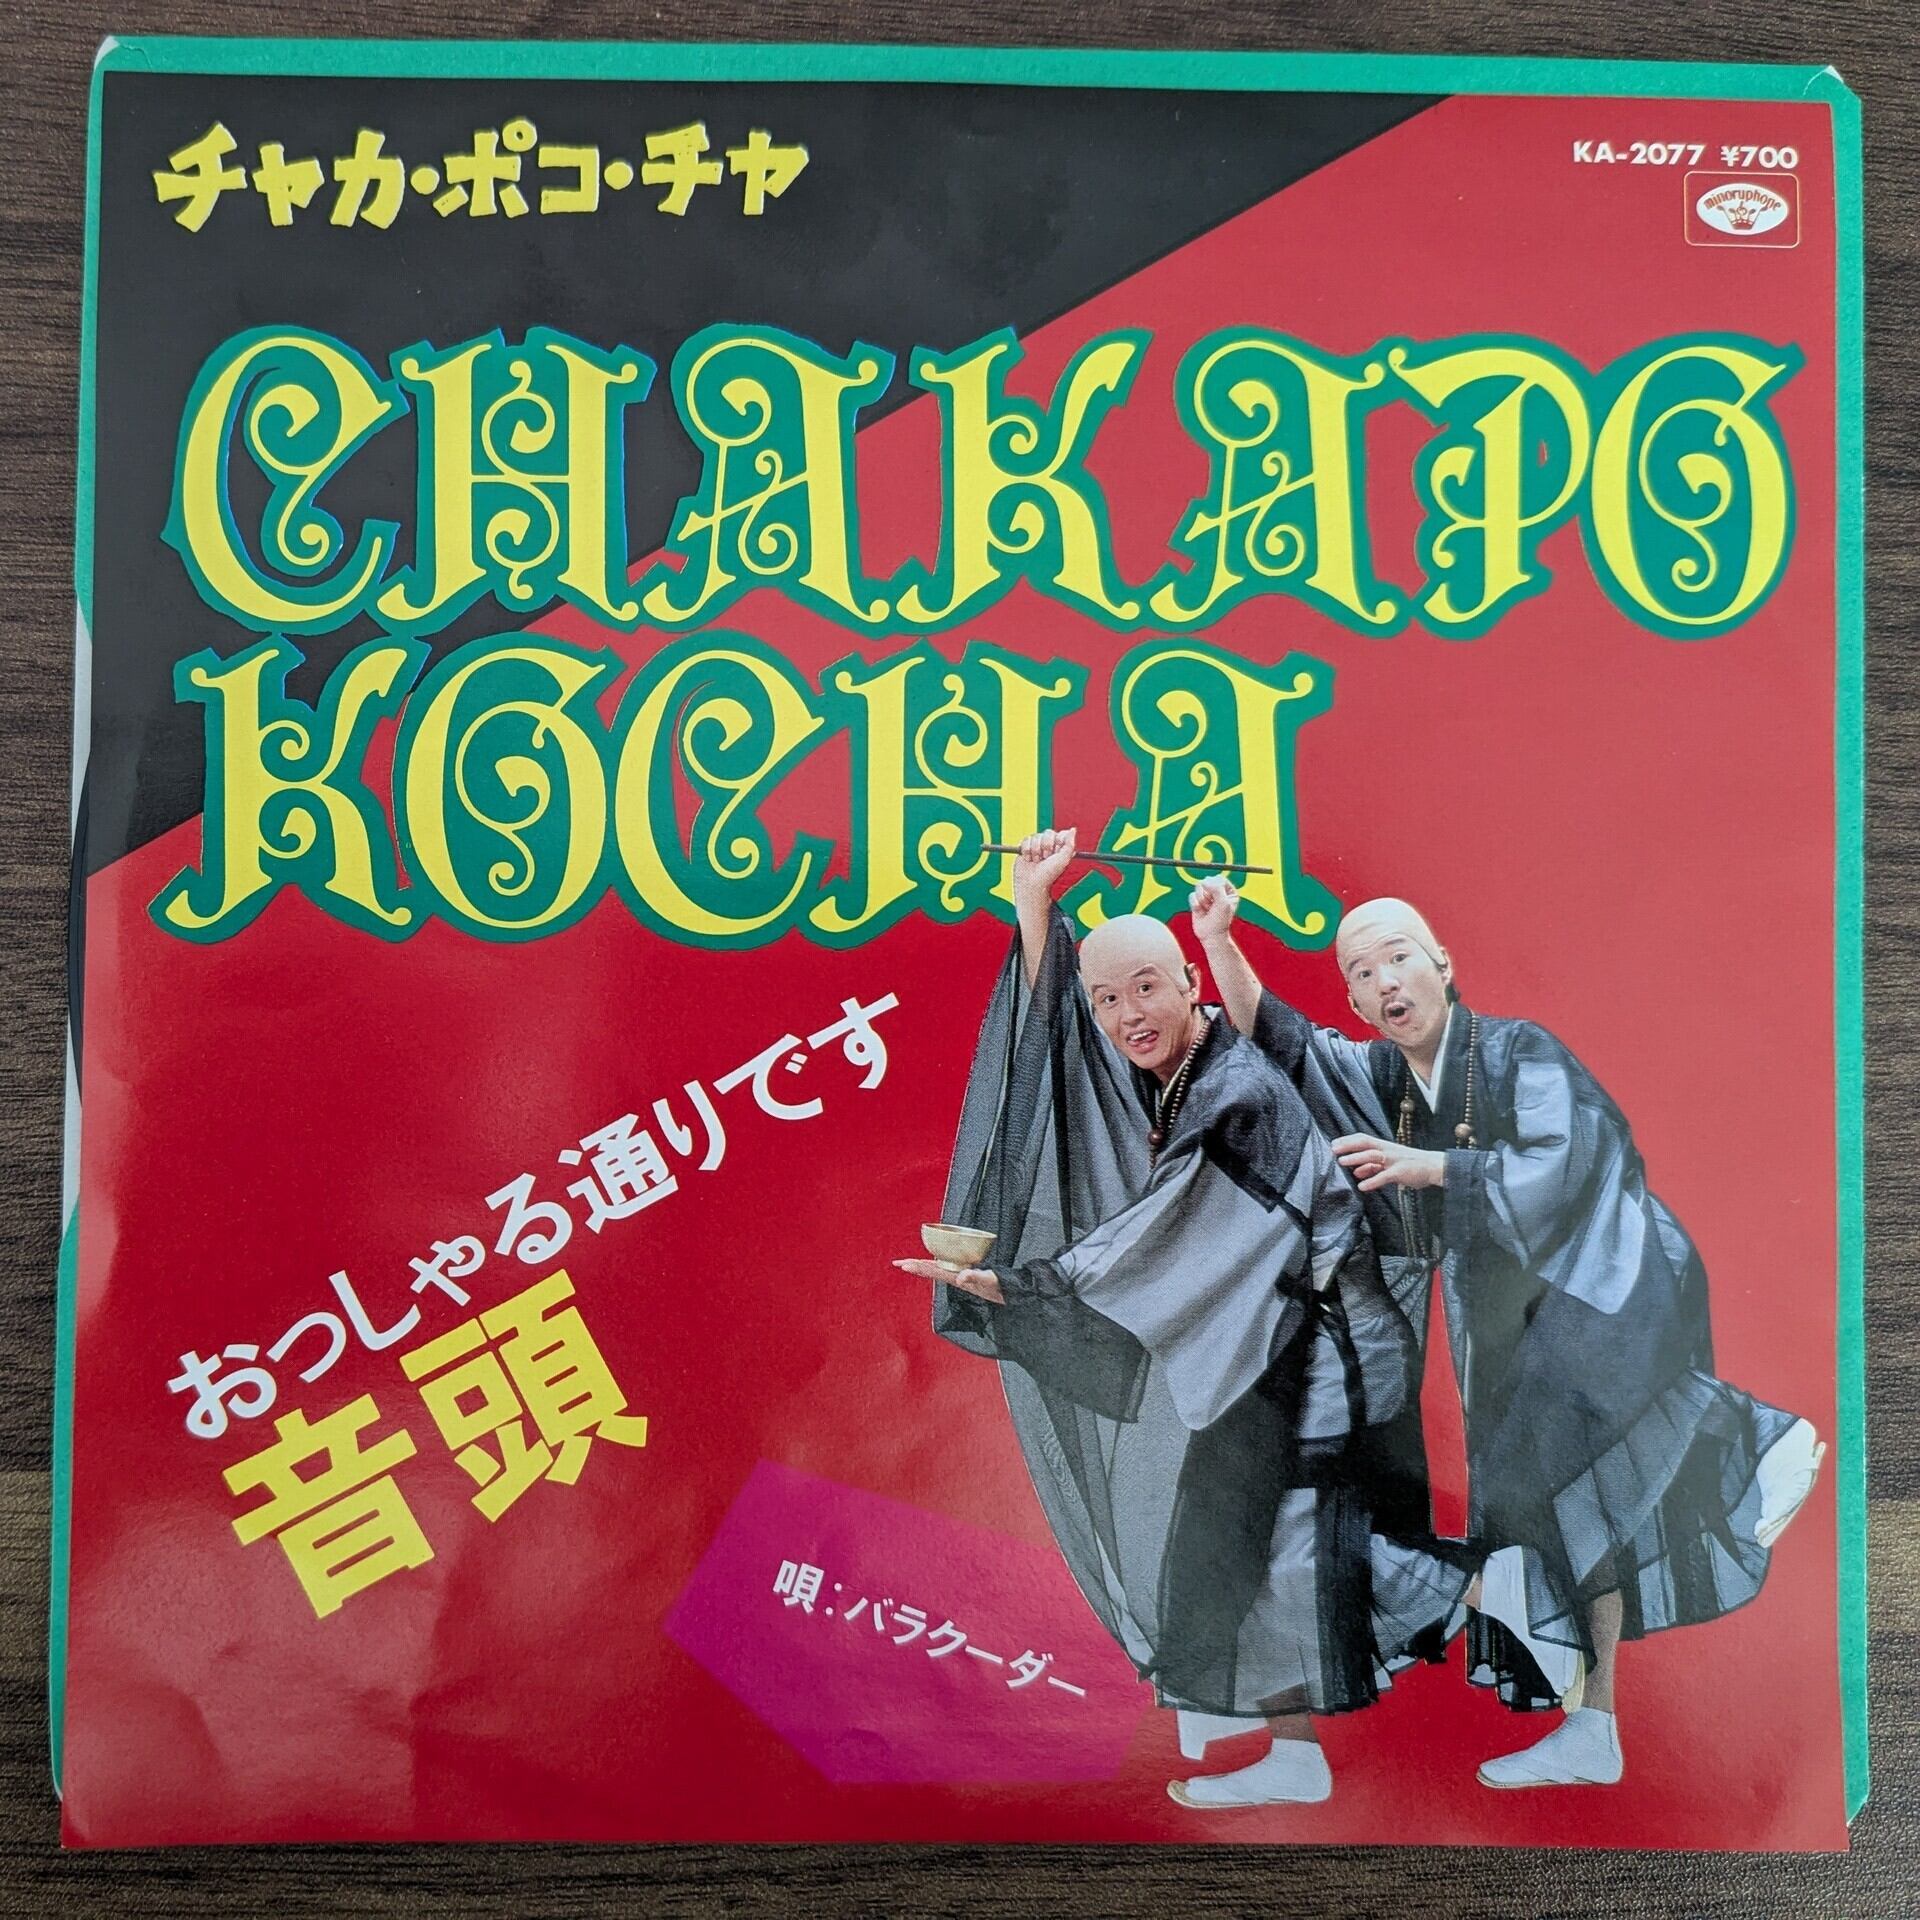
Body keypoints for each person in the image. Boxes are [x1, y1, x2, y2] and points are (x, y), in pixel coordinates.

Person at [894, 831, 1532, 1809]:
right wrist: (1034, 905)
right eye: (1108, 999)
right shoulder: (1172, 1065)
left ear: (1191, 984)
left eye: (1146, 988)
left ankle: (1500, 1590)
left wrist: (1028, 1287)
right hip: (1274, 1341)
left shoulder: (1233, 1090)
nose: (1125, 1015)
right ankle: (1298, 1749)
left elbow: (1169, 1222)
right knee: (1233, 1549)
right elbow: (1057, 1042)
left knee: (1293, 1543)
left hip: (1331, 1345)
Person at [1190, 881, 1825, 1789]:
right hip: (1502, 1315)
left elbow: (1568, 1164)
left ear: (1442, 963)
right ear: (1357, 1002)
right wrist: (1218, 939)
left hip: (1600, 1272)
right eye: (1362, 972)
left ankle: (1758, 1434)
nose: (1385, 979)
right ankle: (1594, 1729)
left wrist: (1431, 1167)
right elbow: (1286, 1042)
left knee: (1596, 1439)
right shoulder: (1385, 1080)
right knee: (1565, 1507)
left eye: (1399, 955)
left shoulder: (1518, 1048)